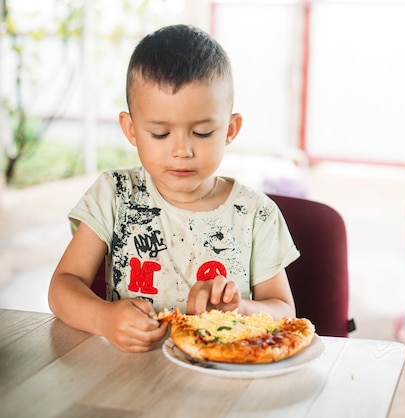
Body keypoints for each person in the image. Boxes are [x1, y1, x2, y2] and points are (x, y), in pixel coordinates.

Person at [48, 24, 300, 353]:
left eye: (203, 132)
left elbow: (285, 311)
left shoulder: (256, 215)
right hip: (131, 378)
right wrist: (105, 319)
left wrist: (239, 310)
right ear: (131, 130)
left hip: (222, 377)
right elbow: (62, 287)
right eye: (160, 134)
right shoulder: (115, 194)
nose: (182, 150)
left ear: (230, 129)